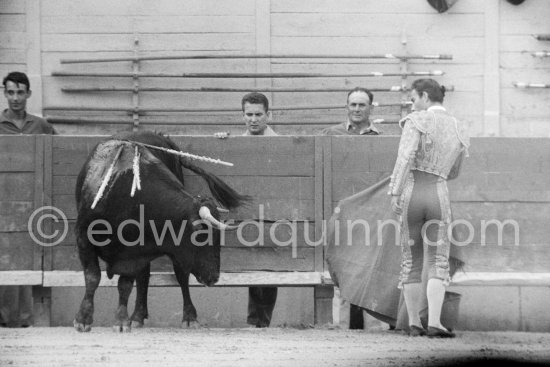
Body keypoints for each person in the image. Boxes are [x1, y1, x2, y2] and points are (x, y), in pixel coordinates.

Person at [388, 78, 469, 338]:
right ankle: (434, 322)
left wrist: (395, 191)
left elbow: (405, 157)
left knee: (411, 261)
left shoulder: (416, 120)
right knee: (438, 260)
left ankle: (414, 323)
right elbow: (455, 171)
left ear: (424, 96)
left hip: (413, 193)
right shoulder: (459, 127)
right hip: (438, 194)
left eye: (413, 99)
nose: (413, 105)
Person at [216, 92, 278, 328]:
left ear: (268, 115)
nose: (253, 119)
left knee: (272, 265)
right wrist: (223, 141)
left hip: (273, 210)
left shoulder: (280, 142)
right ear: (242, 116)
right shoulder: (237, 142)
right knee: (253, 261)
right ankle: (256, 321)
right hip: (247, 211)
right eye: (249, 114)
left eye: (258, 114)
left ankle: (262, 321)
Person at [321, 87, 380, 330]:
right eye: (353, 104)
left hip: (372, 215)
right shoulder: (330, 134)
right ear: (347, 106)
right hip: (341, 213)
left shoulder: (381, 137)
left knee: (374, 270)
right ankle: (341, 329)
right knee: (341, 269)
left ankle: (376, 328)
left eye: (361, 105)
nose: (356, 109)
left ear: (371, 108)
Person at [0, 72, 56, 328]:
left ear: (28, 94)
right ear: (4, 93)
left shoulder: (41, 126)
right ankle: (7, 319)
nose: (15, 98)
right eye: (10, 92)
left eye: (20, 92)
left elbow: (57, 156)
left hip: (33, 205)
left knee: (29, 258)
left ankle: (24, 319)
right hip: (3, 203)